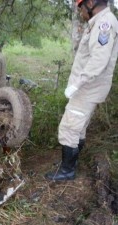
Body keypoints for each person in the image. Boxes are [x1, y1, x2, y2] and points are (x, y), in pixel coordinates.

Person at [45, 0, 118, 181]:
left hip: (87, 88)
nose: (80, 13)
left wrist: (78, 84)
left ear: (91, 3)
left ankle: (67, 170)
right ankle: (70, 164)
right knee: (79, 127)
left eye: (81, 8)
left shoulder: (104, 23)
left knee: (69, 127)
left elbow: (99, 60)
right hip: (87, 88)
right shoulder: (98, 22)